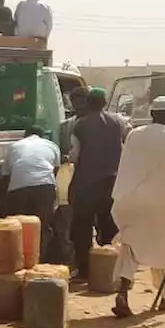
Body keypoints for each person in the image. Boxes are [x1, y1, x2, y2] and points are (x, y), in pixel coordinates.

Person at [109, 96, 165, 317]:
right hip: (162, 202)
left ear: (152, 114)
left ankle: (123, 292)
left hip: (131, 200)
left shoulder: (134, 134)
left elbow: (125, 167)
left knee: (130, 248)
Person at [67, 87, 126, 277]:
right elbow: (128, 144)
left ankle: (84, 270)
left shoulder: (80, 125)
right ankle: (109, 269)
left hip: (86, 184)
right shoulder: (118, 122)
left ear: (88, 103)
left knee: (82, 228)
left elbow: (75, 156)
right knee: (109, 225)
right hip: (112, 183)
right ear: (104, 102)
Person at [1, 126, 62, 259]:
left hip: (19, 188)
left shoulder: (14, 146)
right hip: (45, 187)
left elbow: (6, 174)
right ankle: (38, 261)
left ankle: (18, 259)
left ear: (25, 135)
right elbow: (56, 170)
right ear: (42, 136)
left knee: (18, 226)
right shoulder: (52, 145)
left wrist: (10, 194)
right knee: (42, 226)